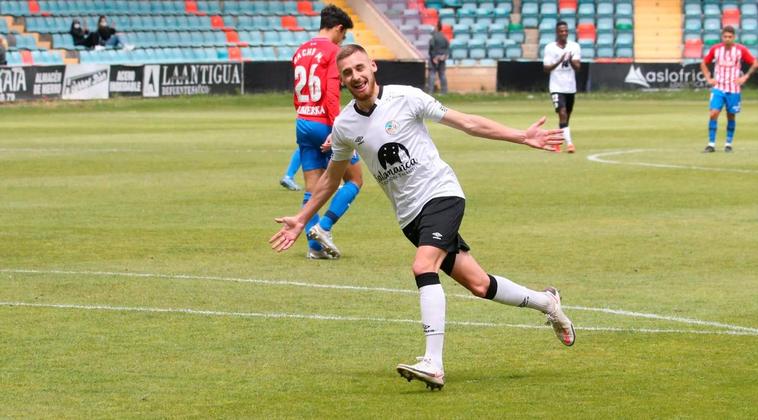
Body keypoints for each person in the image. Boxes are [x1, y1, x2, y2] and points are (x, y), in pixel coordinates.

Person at [270, 44, 576, 390]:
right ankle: (547, 302)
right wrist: (301, 217)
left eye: (360, 67)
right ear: (341, 81)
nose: (356, 76)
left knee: (422, 266)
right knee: (478, 284)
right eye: (347, 73)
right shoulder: (344, 125)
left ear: (373, 66)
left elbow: (467, 123)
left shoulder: (406, 97)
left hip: (441, 194)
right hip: (409, 217)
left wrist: (521, 135)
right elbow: (329, 179)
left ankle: (433, 363)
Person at [291, 5, 363, 260]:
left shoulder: (301, 50)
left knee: (312, 188)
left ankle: (315, 249)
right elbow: (332, 96)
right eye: (343, 36)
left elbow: (296, 95)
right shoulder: (333, 52)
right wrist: (337, 128)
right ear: (339, 29)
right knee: (354, 180)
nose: (343, 41)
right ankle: (324, 228)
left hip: (303, 121)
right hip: (324, 122)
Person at [700, 26, 757, 153]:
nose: (727, 39)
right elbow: (703, 63)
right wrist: (709, 78)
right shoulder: (716, 49)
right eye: (725, 37)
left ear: (734, 37)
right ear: (722, 37)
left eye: (730, 37)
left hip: (733, 89)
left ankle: (728, 144)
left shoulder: (740, 50)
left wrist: (745, 77)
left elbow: (755, 63)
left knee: (731, 116)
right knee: (713, 113)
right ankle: (711, 144)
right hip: (718, 88)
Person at [543, 21, 581, 153]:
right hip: (556, 87)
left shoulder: (574, 46)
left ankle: (556, 141)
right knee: (562, 113)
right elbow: (546, 68)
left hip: (570, 87)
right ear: (557, 32)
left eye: (565, 31)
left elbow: (577, 67)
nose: (564, 33)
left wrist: (570, 60)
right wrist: (559, 60)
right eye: (561, 31)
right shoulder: (550, 48)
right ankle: (569, 144)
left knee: (566, 117)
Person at [427, 21, 449, 94]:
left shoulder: (433, 38)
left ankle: (430, 91)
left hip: (434, 58)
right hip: (442, 58)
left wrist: (434, 57)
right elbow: (447, 47)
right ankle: (444, 92)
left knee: (432, 74)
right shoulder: (444, 37)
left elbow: (431, 48)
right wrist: (444, 55)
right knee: (442, 74)